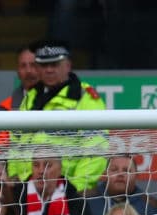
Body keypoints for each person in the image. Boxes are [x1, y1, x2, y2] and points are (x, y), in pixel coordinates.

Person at [9, 41, 107, 191]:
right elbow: (15, 142)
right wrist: (15, 178)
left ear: (67, 65)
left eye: (54, 64)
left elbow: (97, 148)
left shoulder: (84, 97)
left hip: (67, 189)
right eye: (44, 65)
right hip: (27, 189)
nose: (49, 70)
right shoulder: (30, 97)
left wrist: (75, 189)